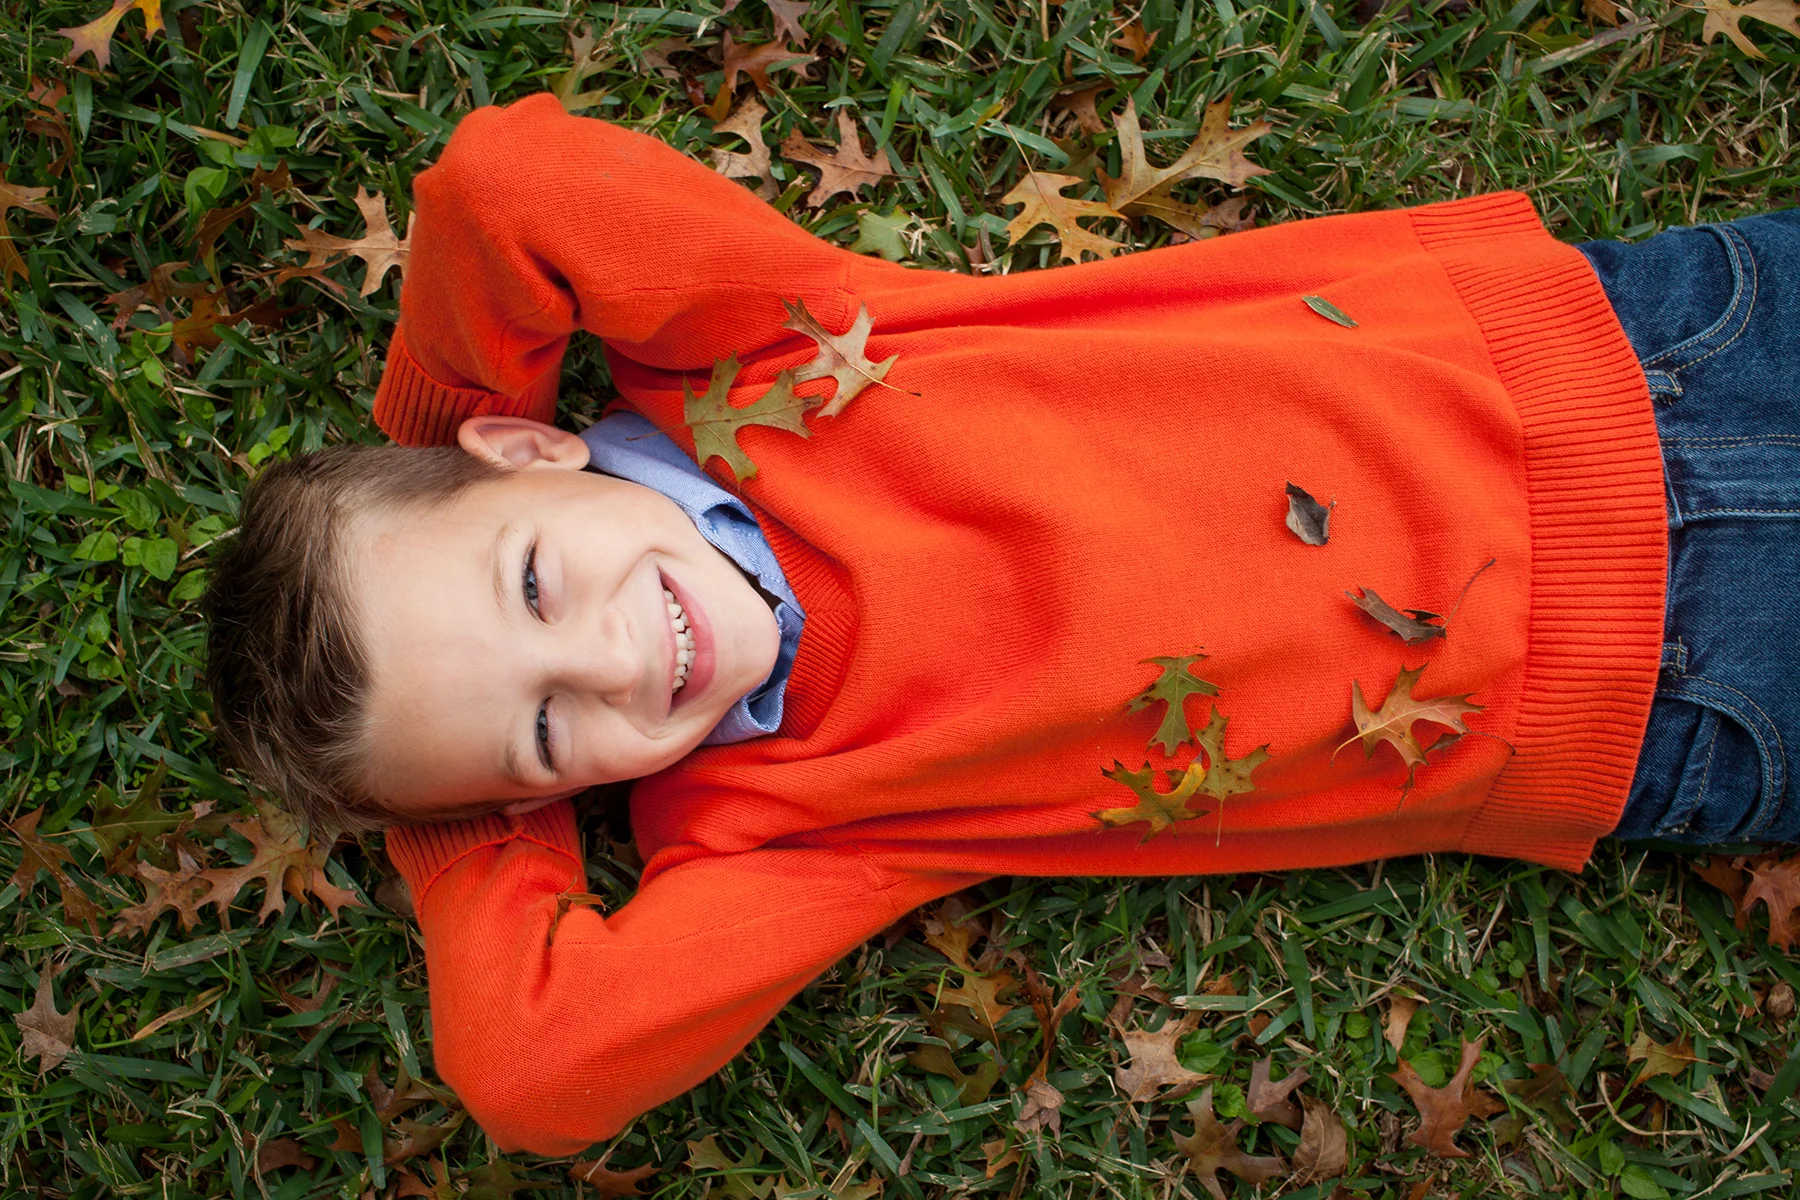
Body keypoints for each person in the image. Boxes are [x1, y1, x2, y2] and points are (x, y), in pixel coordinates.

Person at [202, 93, 1798, 1154]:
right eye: (545, 719)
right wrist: (466, 811)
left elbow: (505, 183)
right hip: (1682, 686)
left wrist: (444, 436)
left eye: (532, 581)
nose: (617, 658)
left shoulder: (756, 357)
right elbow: (533, 1073)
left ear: (533, 450)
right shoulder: (780, 826)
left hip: (1650, 358)